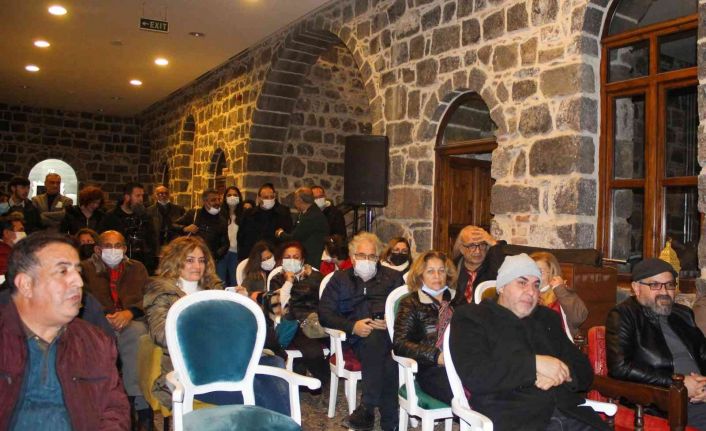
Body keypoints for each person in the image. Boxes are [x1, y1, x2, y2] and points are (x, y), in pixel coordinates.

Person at [450, 253, 607, 431]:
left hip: (571, 414)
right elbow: (476, 375)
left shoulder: (547, 318)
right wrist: (535, 365)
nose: (531, 291)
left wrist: (561, 372)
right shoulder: (473, 317)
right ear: (502, 287)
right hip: (517, 419)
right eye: (522, 282)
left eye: (536, 285)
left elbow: (584, 371)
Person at [143, 236, 289, 415]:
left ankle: (280, 424)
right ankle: (283, 424)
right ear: (174, 261)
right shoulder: (161, 290)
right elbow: (161, 334)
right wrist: (209, 325)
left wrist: (240, 306)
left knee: (274, 365)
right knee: (262, 389)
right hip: (193, 370)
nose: (197, 266)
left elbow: (237, 329)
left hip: (229, 360)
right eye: (190, 260)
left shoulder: (213, 287)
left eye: (201, 260)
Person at [0, 232, 129, 430]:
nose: (78, 282)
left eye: (78, 271)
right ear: (26, 284)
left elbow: (114, 410)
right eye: (62, 271)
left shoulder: (95, 342)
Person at [606, 258, 706, 429]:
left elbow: (703, 353)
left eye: (669, 285)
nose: (664, 292)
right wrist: (677, 384)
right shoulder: (623, 315)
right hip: (663, 403)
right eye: (655, 285)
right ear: (636, 288)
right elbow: (620, 368)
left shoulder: (683, 314)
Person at [319, 232, 404, 431]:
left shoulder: (393, 278)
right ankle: (389, 423)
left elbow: (405, 309)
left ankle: (367, 409)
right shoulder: (339, 279)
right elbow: (324, 314)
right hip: (353, 339)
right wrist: (352, 326)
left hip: (387, 335)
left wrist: (389, 320)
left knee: (381, 345)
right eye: (361, 255)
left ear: (378, 257)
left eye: (372, 256)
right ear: (352, 257)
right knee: (388, 362)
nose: (367, 260)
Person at [80, 230, 151, 427]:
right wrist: (104, 316)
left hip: (131, 319)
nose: (114, 250)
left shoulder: (137, 268)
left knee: (138, 335)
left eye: (118, 246)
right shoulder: (84, 269)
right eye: (108, 246)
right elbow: (82, 297)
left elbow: (147, 296)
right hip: (97, 319)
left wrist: (129, 313)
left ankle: (137, 401)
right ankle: (99, 401)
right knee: (95, 338)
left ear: (125, 248)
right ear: (97, 249)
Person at [393, 250, 457, 405]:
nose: (437, 276)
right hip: (432, 368)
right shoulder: (411, 303)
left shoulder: (458, 300)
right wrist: (436, 356)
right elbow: (400, 343)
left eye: (441, 271)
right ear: (420, 275)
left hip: (462, 361)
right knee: (464, 394)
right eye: (430, 271)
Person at [269, 241, 328, 389]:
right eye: (287, 257)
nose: (291, 260)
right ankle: (315, 381)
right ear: (282, 260)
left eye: (296, 257)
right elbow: (279, 307)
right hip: (292, 323)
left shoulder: (315, 277)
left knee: (337, 342)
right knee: (313, 352)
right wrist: (289, 282)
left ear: (302, 260)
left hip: (314, 322)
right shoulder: (277, 279)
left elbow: (323, 298)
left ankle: (318, 379)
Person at [98, 182, 158, 273]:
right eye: (137, 196)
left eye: (142, 196)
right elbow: (102, 239)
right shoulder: (111, 217)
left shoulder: (145, 217)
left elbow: (152, 241)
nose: (141, 199)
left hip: (141, 265)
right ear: (127, 197)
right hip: (117, 264)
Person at [530, 251, 588, 337]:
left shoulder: (561, 294)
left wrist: (561, 290)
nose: (535, 276)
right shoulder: (525, 294)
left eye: (540, 272)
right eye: (531, 272)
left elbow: (579, 317)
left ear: (552, 273)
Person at [175, 189, 229, 270]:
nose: (217, 202)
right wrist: (185, 228)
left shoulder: (222, 220)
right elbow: (173, 225)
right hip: (189, 258)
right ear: (204, 201)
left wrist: (213, 256)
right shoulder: (193, 214)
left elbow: (225, 244)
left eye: (219, 199)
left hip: (210, 262)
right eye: (213, 200)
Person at [452, 225, 506, 305]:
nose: (478, 251)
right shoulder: (453, 268)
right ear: (462, 249)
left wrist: (493, 243)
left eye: (482, 245)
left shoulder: (493, 267)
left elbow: (503, 275)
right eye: (472, 246)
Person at [275, 187, 329, 268]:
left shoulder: (310, 216)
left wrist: (280, 233)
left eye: (295, 199)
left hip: (312, 258)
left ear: (299, 200)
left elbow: (295, 237)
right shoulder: (309, 212)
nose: (294, 202)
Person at [237, 183, 293, 261]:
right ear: (259, 198)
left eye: (272, 197)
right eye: (266, 197)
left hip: (276, 256)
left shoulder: (283, 213)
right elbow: (241, 237)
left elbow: (288, 236)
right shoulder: (249, 214)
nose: (269, 200)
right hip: (253, 256)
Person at [217, 186, 244, 286]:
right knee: (220, 282)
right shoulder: (219, 214)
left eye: (235, 195)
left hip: (236, 253)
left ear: (239, 197)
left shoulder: (244, 215)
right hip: (222, 253)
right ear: (225, 198)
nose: (232, 197)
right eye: (229, 195)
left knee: (235, 282)